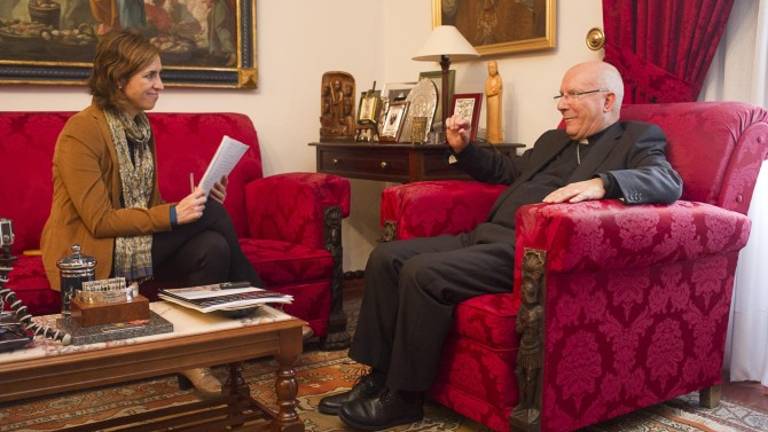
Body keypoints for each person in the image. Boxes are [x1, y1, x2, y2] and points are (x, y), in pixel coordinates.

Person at [317, 61, 683, 430]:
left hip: (530, 252)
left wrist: (603, 183)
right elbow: (508, 172)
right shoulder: (553, 140)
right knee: (385, 257)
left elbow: (666, 180)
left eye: (573, 94)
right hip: (485, 236)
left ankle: (404, 397)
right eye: (562, 94)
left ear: (608, 100)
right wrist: (464, 148)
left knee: (422, 273)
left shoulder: (637, 138)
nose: (561, 104)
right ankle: (377, 378)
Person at [40, 30, 263, 398]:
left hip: (132, 247)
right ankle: (255, 305)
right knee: (209, 217)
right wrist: (176, 214)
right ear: (118, 78)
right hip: (91, 256)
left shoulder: (141, 128)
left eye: (160, 74)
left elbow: (147, 206)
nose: (161, 85)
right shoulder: (80, 132)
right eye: (150, 76)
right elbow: (100, 220)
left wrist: (194, 202)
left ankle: (192, 355)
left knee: (212, 243)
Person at [485, 60, 503, 143]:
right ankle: (489, 137)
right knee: (490, 120)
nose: (491, 69)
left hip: (496, 102)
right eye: (489, 68)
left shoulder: (498, 79)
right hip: (490, 103)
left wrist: (493, 91)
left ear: (496, 68)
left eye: (492, 67)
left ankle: (496, 137)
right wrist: (492, 91)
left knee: (496, 120)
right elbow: (487, 91)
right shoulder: (487, 80)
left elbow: (497, 89)